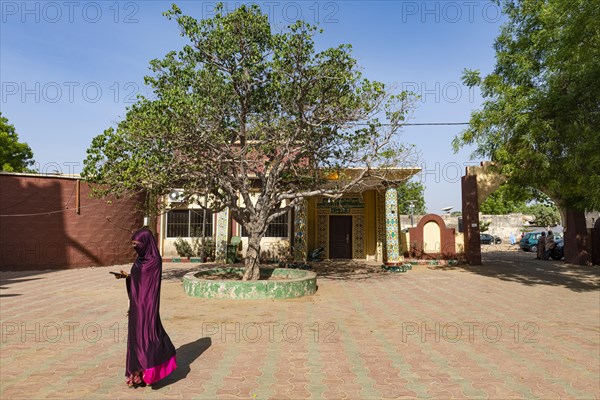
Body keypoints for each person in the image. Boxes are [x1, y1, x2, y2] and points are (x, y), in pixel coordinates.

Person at [125, 227, 177, 387]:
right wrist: (128, 277)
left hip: (147, 306)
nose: (135, 247)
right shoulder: (140, 259)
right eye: (133, 244)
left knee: (147, 338)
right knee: (135, 339)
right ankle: (137, 374)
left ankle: (150, 371)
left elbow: (149, 286)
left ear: (146, 243)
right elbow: (137, 280)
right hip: (135, 305)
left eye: (137, 244)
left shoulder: (154, 260)